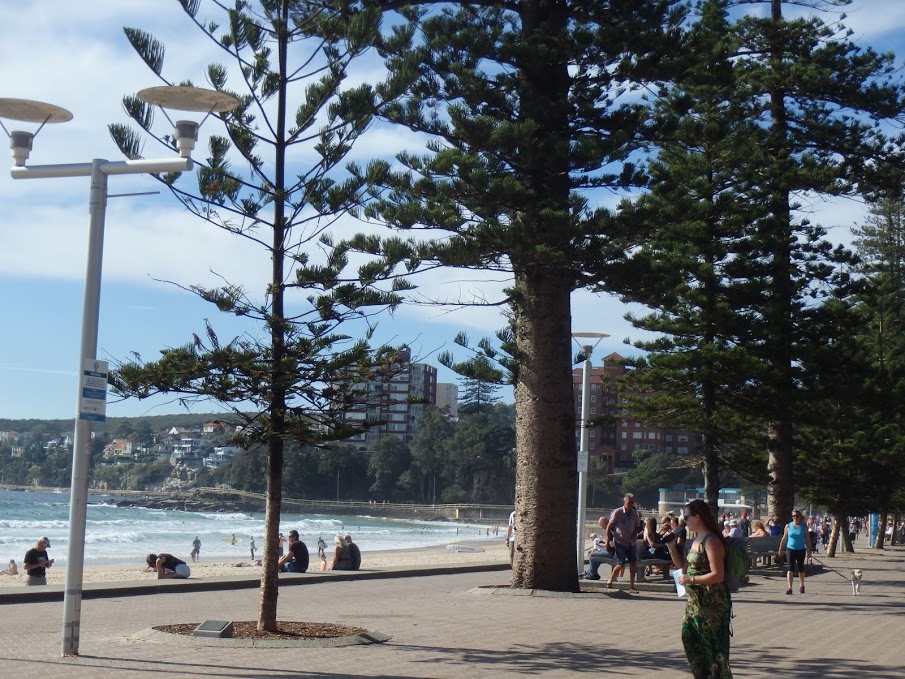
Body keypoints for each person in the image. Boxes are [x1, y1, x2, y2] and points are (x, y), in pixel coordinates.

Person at [665, 499, 733, 679]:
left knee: (713, 651)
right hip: (695, 603)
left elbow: (718, 575)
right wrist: (672, 548)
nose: (684, 521)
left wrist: (691, 579)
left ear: (697, 517)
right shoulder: (697, 539)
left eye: (686, 517)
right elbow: (684, 569)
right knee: (689, 638)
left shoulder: (712, 540)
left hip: (712, 605)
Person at [605, 493, 642, 593]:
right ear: (625, 501)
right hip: (619, 541)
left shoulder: (634, 514)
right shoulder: (618, 512)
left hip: (631, 542)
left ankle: (632, 586)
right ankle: (610, 580)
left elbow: (638, 525)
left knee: (633, 563)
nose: (631, 504)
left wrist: (635, 533)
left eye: (632, 502)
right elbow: (609, 526)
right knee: (620, 564)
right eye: (629, 502)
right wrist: (607, 540)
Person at [779, 509, 812, 595]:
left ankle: (802, 584)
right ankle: (790, 587)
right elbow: (784, 538)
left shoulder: (803, 526)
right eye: (793, 516)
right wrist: (780, 548)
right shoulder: (788, 526)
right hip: (790, 549)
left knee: (801, 568)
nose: (795, 518)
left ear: (800, 517)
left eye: (797, 516)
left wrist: (809, 551)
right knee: (790, 567)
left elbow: (808, 540)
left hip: (801, 549)